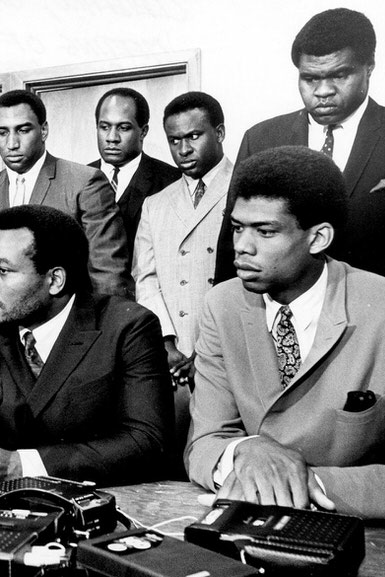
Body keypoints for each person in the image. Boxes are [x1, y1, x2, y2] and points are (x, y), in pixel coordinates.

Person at [186, 146, 385, 520]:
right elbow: (205, 442)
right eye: (237, 228)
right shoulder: (221, 305)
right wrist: (245, 450)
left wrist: (307, 482)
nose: (241, 247)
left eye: (265, 231)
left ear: (318, 238)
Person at [0, 204, 173, 494]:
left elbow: (147, 441)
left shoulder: (128, 326)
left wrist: (22, 465)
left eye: (3, 270)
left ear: (55, 280)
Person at [215, 8, 385, 282]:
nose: (323, 91)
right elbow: (233, 243)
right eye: (310, 78)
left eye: (339, 75)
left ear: (369, 67)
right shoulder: (262, 138)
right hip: (280, 314)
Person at [0, 90, 131, 330]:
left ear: (43, 130)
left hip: (70, 331)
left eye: (23, 130)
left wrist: (106, 339)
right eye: (2, 132)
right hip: (3, 334)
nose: (12, 143)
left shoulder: (85, 183)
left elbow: (107, 275)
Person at [133, 92, 231, 473]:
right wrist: (167, 343)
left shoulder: (243, 187)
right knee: (171, 460)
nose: (184, 149)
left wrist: (204, 352)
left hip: (223, 349)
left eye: (194, 136)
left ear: (219, 132)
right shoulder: (156, 203)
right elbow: (146, 276)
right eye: (175, 140)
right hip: (173, 355)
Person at [90, 87, 180, 263]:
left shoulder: (172, 180)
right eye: (104, 127)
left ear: (144, 131)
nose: (112, 137)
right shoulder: (79, 178)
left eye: (123, 128)